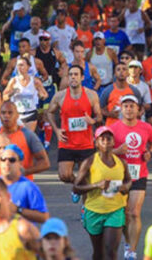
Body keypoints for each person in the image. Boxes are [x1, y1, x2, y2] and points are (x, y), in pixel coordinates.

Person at [73, 126, 132, 260]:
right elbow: (76, 187)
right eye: (102, 139)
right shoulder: (89, 162)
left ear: (113, 142)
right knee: (99, 253)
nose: (106, 141)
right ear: (96, 143)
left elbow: (129, 180)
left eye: (108, 139)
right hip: (94, 210)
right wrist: (96, 185)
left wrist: (124, 187)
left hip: (115, 210)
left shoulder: (121, 162)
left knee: (111, 252)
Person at [110, 95, 152, 260]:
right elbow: (101, 151)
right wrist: (116, 152)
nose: (129, 109)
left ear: (139, 110)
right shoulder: (113, 128)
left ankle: (131, 250)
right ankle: (128, 240)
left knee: (134, 213)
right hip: (118, 176)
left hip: (139, 175)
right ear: (121, 109)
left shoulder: (146, 127)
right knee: (124, 214)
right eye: (126, 106)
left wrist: (149, 152)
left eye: (132, 106)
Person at [47, 65, 102, 202]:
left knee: (86, 176)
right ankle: (77, 187)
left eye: (76, 74)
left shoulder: (91, 95)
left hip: (86, 143)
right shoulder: (60, 96)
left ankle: (85, 208)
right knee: (64, 175)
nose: (73, 77)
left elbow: (100, 117)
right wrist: (57, 130)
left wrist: (92, 120)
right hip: (66, 143)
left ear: (82, 77)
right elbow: (49, 112)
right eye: (70, 74)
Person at [0, 101, 50, 180]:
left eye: (10, 113)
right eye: (3, 113)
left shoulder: (28, 135)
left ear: (17, 116)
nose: (6, 116)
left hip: (22, 186)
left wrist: (25, 172)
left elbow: (45, 162)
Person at [0, 144, 49, 223]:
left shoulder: (28, 187)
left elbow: (44, 217)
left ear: (20, 163)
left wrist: (18, 209)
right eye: (3, 159)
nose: (7, 163)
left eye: (12, 160)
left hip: (22, 234)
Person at [3, 56, 48, 131]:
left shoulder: (35, 81)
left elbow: (45, 94)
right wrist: (12, 93)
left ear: (28, 67)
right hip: (17, 114)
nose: (19, 67)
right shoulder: (13, 81)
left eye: (22, 65)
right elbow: (4, 97)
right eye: (18, 65)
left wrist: (41, 96)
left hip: (31, 113)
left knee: (28, 137)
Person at [100, 62, 142, 127]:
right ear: (115, 73)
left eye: (124, 69)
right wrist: (109, 114)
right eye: (118, 69)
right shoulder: (107, 91)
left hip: (129, 127)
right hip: (112, 127)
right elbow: (100, 109)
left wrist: (137, 114)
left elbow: (141, 108)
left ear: (128, 73)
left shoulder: (134, 91)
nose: (121, 72)